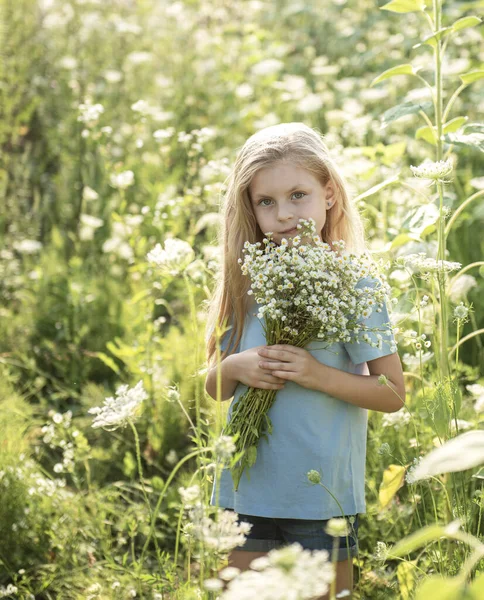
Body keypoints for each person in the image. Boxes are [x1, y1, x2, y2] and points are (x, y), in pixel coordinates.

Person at [204, 122, 405, 599]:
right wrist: (234, 368)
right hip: (249, 485)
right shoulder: (247, 280)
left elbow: (393, 394)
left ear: (329, 193)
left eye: (299, 195)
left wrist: (316, 375)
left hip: (321, 492)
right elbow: (213, 387)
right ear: (249, 208)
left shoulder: (355, 283)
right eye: (266, 202)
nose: (283, 214)